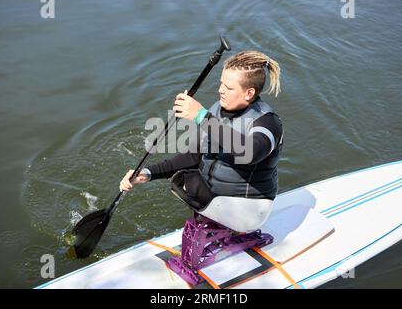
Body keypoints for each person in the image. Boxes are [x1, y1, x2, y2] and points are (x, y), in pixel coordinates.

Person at [120, 50, 283, 213]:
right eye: (221, 83)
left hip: (248, 209)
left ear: (249, 93)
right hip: (216, 200)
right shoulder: (217, 109)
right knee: (184, 180)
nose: (220, 90)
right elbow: (193, 156)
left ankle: (238, 233)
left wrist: (201, 116)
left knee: (191, 183)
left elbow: (250, 153)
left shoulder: (268, 122)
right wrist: (148, 173)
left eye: (228, 87)